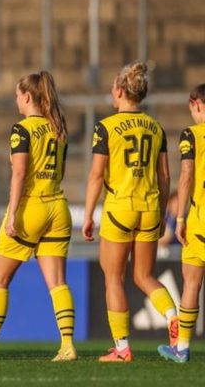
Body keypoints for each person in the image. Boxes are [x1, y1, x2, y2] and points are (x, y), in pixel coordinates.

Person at [0, 71, 76, 361]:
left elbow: (19, 173)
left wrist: (12, 213)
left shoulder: (23, 129)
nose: (16, 100)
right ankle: (67, 345)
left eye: (17, 95)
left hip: (32, 208)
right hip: (58, 207)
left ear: (27, 97)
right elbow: (60, 171)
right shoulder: (58, 129)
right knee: (58, 282)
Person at [83, 61, 177, 362]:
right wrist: (163, 214)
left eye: (113, 87)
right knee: (145, 275)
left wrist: (87, 215)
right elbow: (165, 177)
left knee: (113, 277)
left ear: (121, 90)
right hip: (150, 208)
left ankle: (122, 348)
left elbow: (97, 175)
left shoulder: (107, 127)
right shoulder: (156, 127)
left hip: (120, 208)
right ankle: (173, 316)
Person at [158, 83, 205, 363]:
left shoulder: (192, 135)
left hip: (200, 221)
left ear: (196, 103)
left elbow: (186, 176)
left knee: (191, 284)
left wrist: (180, 217)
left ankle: (182, 348)